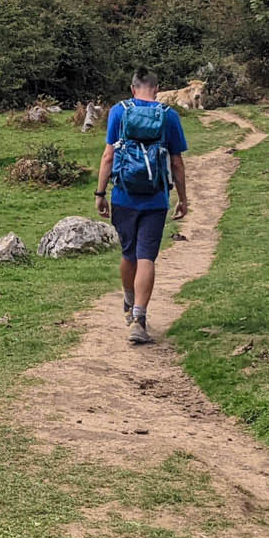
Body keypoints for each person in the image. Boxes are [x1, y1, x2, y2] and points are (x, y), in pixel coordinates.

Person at [94, 70, 190, 345]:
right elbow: (177, 163)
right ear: (156, 89)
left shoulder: (118, 112)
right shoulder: (168, 115)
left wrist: (100, 193)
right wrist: (183, 199)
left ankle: (128, 301)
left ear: (133, 88)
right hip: (156, 198)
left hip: (123, 196)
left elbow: (108, 155)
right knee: (146, 256)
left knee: (128, 254)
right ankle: (140, 318)